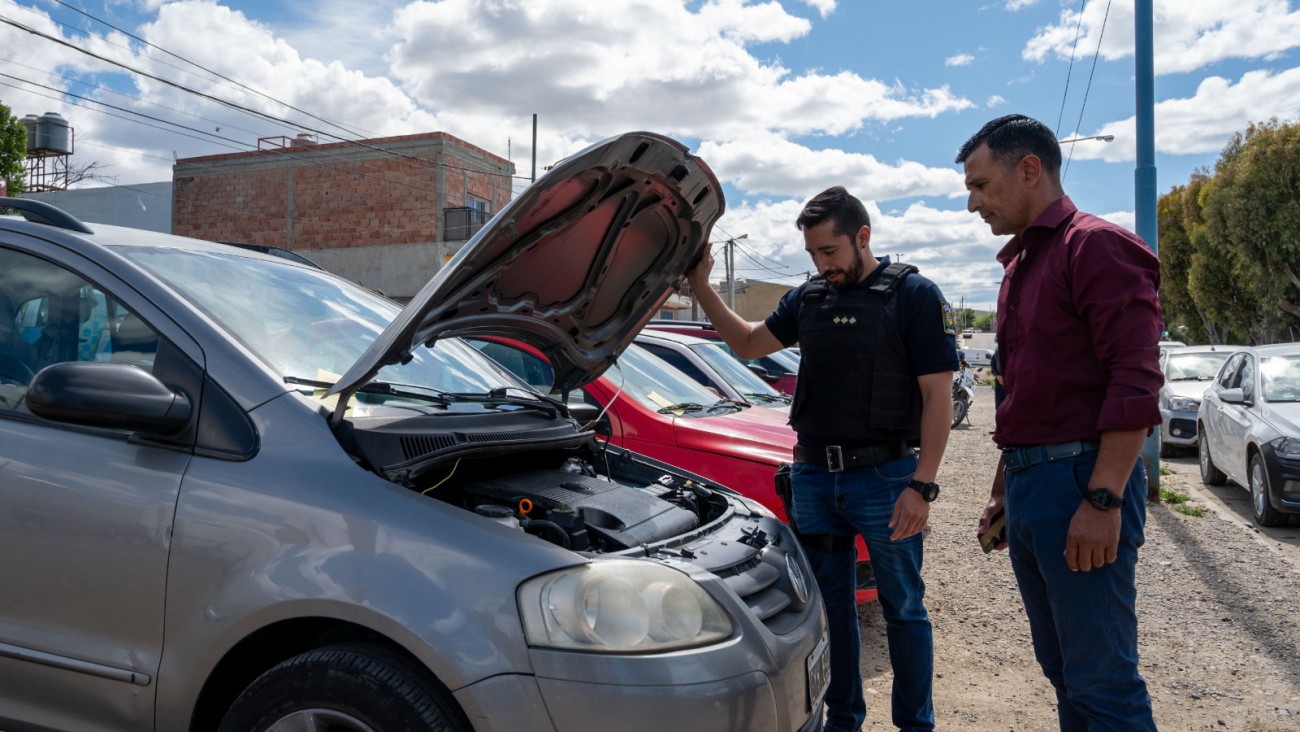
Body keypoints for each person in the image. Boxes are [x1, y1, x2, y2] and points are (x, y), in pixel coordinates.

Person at [684, 186, 957, 732]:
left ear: (863, 237)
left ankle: (915, 725)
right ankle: (843, 720)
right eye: (812, 254)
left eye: (829, 252)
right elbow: (748, 344)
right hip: (813, 477)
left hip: (886, 478)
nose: (821, 264)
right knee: (832, 612)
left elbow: (938, 397)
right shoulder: (808, 297)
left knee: (904, 608)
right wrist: (700, 286)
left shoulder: (915, 295)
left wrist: (922, 485)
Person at [958, 114, 1162, 731]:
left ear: (1029, 170)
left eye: (980, 185)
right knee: (1065, 673)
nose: (973, 204)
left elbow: (1135, 380)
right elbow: (1025, 390)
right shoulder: (1020, 265)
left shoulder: (1094, 245)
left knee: (1102, 681)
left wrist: (1103, 498)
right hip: (1032, 489)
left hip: (1080, 483)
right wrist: (1003, 487)